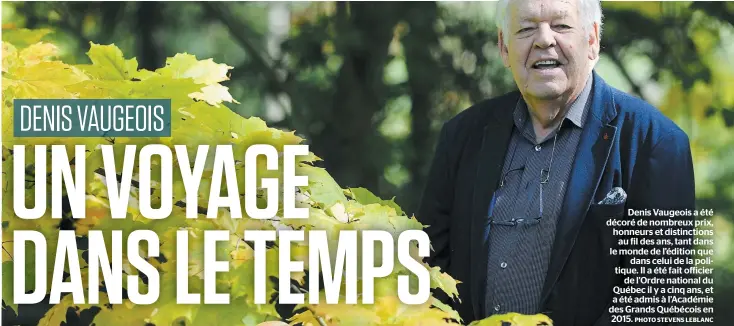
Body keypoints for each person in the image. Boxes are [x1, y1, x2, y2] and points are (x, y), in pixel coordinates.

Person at [416, 0, 696, 325]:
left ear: (592, 41)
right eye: (525, 28)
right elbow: (427, 264)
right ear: (504, 48)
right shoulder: (462, 136)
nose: (543, 40)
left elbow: (655, 296)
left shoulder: (654, 141)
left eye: (561, 26)